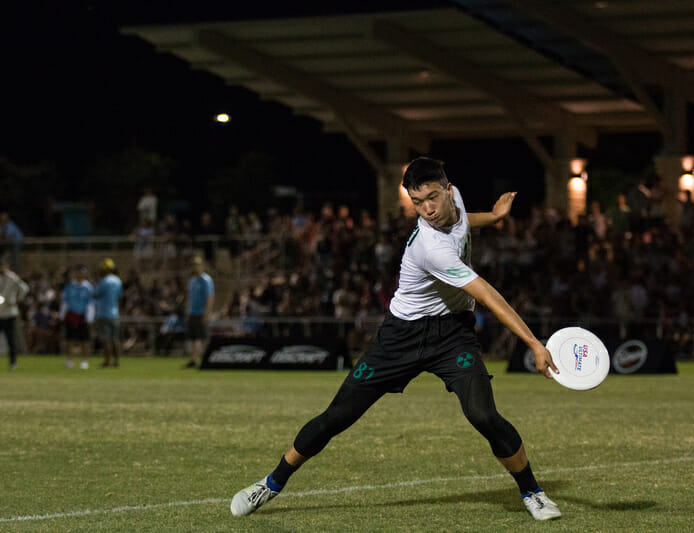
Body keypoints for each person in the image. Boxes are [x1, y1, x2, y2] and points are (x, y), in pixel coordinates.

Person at [230, 157, 562, 522]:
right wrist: (533, 342)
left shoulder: (457, 203)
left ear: (449, 190)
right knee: (335, 417)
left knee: (483, 415)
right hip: (399, 338)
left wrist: (494, 217)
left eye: (433, 198)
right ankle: (272, 483)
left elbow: (465, 223)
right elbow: (486, 293)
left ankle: (533, 491)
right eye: (417, 203)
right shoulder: (429, 246)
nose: (428, 209)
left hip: (452, 334)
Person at [59, 264, 95, 369]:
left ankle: (84, 361)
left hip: (82, 316)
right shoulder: (69, 287)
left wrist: (90, 317)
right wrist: (62, 315)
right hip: (71, 314)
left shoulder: (88, 287)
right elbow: (65, 302)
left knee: (84, 340)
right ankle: (70, 360)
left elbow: (90, 303)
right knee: (70, 339)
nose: (79, 275)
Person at [185, 254, 214, 368]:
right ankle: (194, 359)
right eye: (193, 264)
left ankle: (208, 359)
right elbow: (189, 298)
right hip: (192, 313)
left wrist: (207, 313)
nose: (195, 267)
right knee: (193, 338)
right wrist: (188, 311)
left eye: (197, 264)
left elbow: (210, 298)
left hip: (201, 313)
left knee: (202, 337)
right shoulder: (192, 280)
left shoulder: (206, 280)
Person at [94, 258, 122, 368]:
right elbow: (120, 297)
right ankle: (117, 362)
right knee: (115, 339)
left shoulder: (103, 281)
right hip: (115, 314)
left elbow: (95, 294)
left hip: (104, 313)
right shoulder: (118, 281)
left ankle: (107, 361)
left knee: (106, 340)